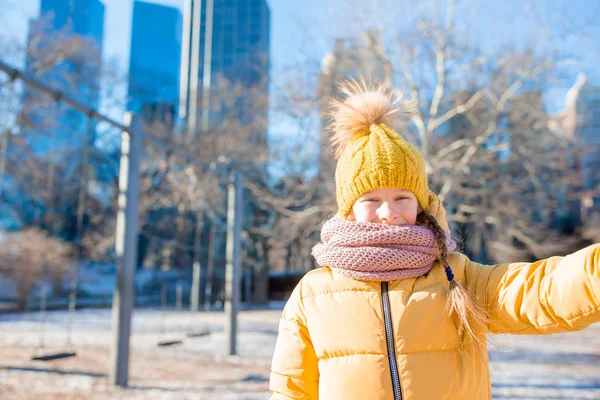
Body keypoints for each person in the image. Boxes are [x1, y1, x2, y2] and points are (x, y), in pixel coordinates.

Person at [268, 80, 600, 400]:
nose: (389, 212)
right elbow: (291, 389)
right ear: (349, 208)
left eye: (402, 197)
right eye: (371, 199)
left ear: (420, 203)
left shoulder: (458, 277)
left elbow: (539, 291)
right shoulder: (312, 295)